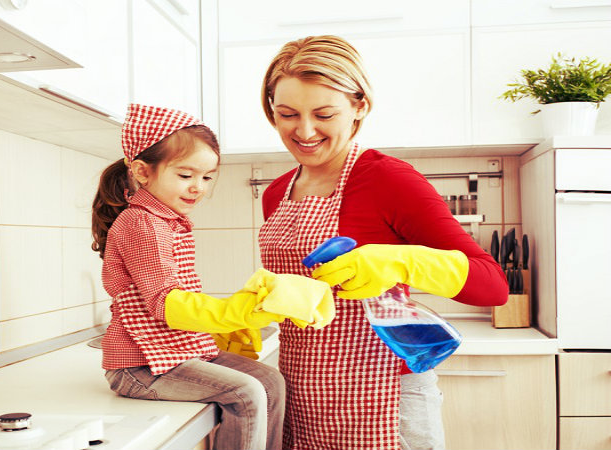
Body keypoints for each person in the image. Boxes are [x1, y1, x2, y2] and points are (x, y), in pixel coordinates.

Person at [254, 36, 508, 450]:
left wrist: (401, 261)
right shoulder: (276, 192)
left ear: (359, 106)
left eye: (323, 114)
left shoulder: (388, 179)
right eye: (287, 114)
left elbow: (493, 284)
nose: (304, 130)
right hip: (302, 392)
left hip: (384, 398)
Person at [91, 103, 333, 450]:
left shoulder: (165, 220)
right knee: (246, 392)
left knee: (270, 380)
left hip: (173, 355)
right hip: (139, 367)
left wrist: (229, 318)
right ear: (143, 172)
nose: (198, 188)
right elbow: (164, 302)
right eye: (185, 176)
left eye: (206, 177)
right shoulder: (142, 223)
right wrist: (233, 312)